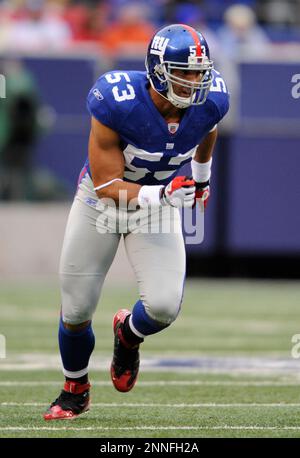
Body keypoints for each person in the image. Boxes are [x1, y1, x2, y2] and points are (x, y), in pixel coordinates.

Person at [43, 23, 229, 420]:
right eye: (185, 71)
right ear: (158, 70)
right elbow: (109, 184)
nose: (195, 81)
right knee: (76, 310)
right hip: (101, 202)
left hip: (159, 204)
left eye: (200, 71)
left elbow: (208, 128)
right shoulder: (117, 99)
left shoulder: (212, 99)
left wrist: (201, 178)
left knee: (162, 306)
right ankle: (74, 389)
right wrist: (164, 194)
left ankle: (127, 335)